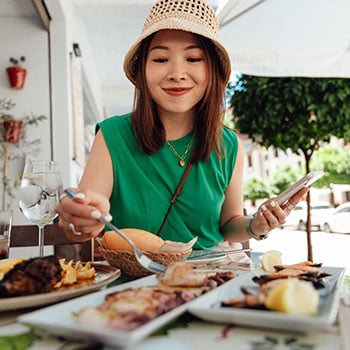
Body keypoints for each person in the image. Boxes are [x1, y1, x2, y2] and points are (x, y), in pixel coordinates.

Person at [55, 0, 307, 252]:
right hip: (131, 284)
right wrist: (82, 219)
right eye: (161, 58)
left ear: (212, 71)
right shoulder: (112, 136)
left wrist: (257, 226)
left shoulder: (228, 145)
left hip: (210, 280)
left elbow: (228, 224)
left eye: (194, 58)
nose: (177, 73)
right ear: (143, 70)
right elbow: (80, 226)